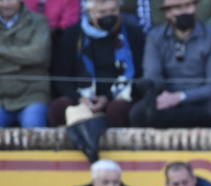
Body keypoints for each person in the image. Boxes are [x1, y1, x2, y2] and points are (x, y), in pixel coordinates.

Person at [129, 0, 211, 127]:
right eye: (178, 8)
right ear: (167, 13)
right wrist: (158, 93)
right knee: (139, 113)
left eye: (188, 6)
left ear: (195, 8)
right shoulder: (155, 37)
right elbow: (153, 76)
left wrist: (181, 97)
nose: (184, 11)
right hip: (167, 98)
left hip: (203, 99)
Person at [49, 0, 143, 128]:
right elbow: (61, 74)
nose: (108, 15)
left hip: (118, 96)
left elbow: (139, 74)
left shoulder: (133, 34)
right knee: (59, 107)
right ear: (90, 12)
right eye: (102, 12)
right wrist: (79, 99)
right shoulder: (72, 35)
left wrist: (107, 98)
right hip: (81, 98)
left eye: (113, 10)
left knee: (118, 109)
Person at [0, 0, 50, 128]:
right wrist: (22, 63)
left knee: (33, 126)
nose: (6, 4)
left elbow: (38, 55)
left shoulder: (39, 21)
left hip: (32, 94)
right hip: (2, 98)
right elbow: (31, 57)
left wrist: (2, 53)